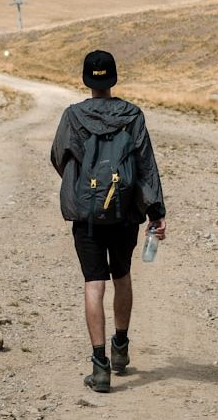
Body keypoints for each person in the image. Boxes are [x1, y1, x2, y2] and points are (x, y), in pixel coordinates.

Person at [50, 50, 167, 393]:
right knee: (122, 275)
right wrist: (156, 211)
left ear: (87, 80)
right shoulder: (132, 116)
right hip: (125, 211)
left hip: (86, 214)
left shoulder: (72, 117)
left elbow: (58, 157)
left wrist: (80, 185)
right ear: (113, 79)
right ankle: (121, 347)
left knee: (94, 282)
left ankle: (99, 367)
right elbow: (146, 166)